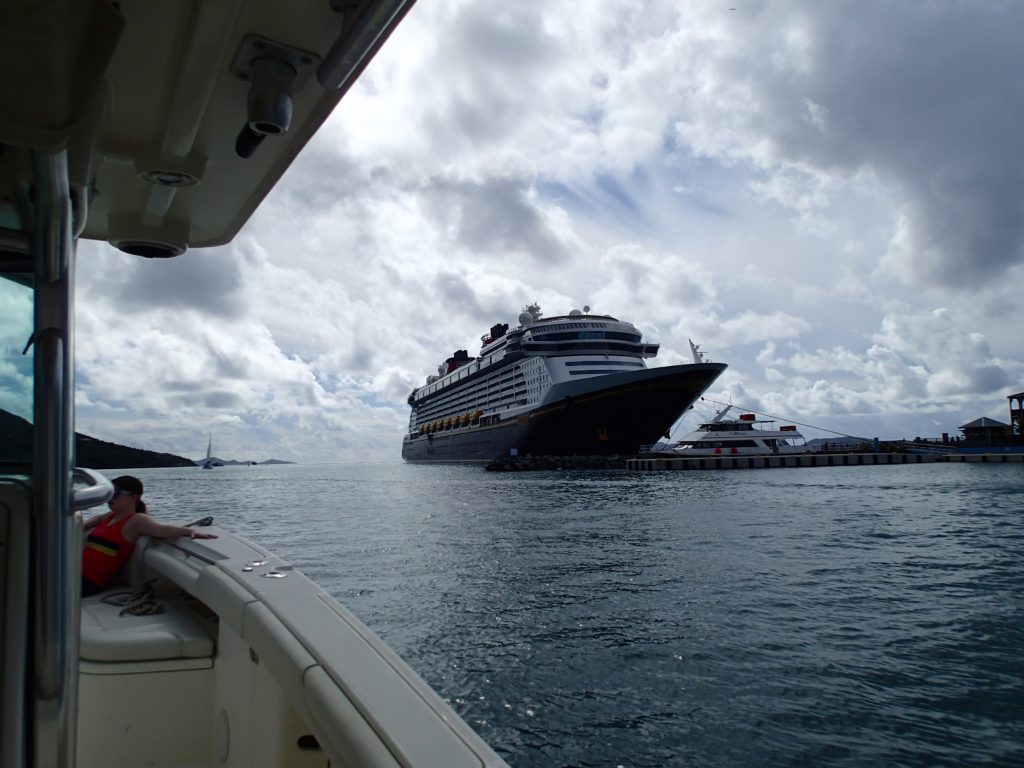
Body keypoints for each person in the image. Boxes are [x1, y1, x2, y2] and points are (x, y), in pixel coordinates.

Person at [81, 475, 217, 596]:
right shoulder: (110, 517)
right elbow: (97, 519)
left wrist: (189, 531)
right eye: (109, 494)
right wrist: (83, 525)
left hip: (89, 581)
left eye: (115, 494)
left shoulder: (136, 520)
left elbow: (162, 529)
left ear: (133, 497)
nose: (110, 499)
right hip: (77, 574)